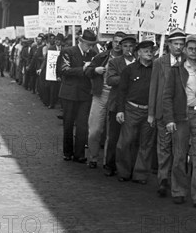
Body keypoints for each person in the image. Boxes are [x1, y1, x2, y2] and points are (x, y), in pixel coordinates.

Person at [163, 34, 196, 208]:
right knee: (180, 155)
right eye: (190, 48)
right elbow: (167, 96)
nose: (193, 52)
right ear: (184, 50)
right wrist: (169, 119)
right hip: (182, 116)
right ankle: (179, 190)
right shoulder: (177, 70)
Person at [148, 28, 186, 197]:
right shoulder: (159, 62)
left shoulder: (187, 62)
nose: (178, 47)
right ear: (169, 44)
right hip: (162, 112)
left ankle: (177, 181)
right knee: (163, 147)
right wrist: (151, 113)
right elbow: (153, 88)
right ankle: (163, 179)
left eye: (181, 44)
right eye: (175, 43)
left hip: (181, 113)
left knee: (179, 150)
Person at [115, 39, 156, 183]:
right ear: (138, 53)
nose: (149, 53)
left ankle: (141, 174)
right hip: (131, 109)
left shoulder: (157, 70)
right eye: (146, 51)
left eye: (151, 51)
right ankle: (124, 172)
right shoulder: (129, 70)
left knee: (146, 144)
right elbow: (121, 91)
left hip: (149, 112)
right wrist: (120, 111)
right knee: (125, 142)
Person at [85, 32, 125, 169]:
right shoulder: (101, 56)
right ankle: (93, 157)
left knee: (112, 133)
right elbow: (88, 71)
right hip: (100, 94)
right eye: (116, 41)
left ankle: (107, 161)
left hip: (117, 97)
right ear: (111, 42)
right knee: (94, 130)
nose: (118, 45)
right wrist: (95, 70)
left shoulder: (129, 60)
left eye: (121, 42)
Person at [57, 29, 97, 162]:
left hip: (85, 94)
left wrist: (92, 70)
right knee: (68, 124)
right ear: (80, 41)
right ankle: (67, 152)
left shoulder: (93, 54)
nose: (90, 47)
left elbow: (93, 72)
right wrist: (83, 69)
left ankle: (79, 154)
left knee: (82, 125)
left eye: (92, 45)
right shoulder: (68, 51)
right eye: (88, 44)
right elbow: (63, 70)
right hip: (69, 93)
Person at [103, 35, 137, 176]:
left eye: (130, 46)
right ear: (121, 48)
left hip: (135, 105)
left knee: (132, 138)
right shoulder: (115, 62)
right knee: (114, 136)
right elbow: (110, 79)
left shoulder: (141, 62)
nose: (128, 49)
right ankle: (110, 165)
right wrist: (127, 77)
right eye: (125, 46)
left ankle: (129, 166)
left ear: (135, 48)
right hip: (117, 104)